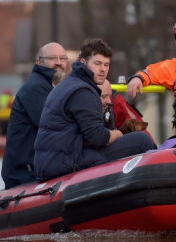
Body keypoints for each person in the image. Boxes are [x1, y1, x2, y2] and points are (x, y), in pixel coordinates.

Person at [34, 38, 156, 181]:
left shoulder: (70, 83)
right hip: (66, 162)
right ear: (84, 63)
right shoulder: (83, 91)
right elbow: (98, 138)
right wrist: (118, 133)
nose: (103, 69)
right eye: (97, 63)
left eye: (106, 64)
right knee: (141, 140)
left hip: (54, 160)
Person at [1, 42, 69, 189]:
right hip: (25, 174)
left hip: (38, 168)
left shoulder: (49, 87)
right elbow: (56, 127)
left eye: (63, 58)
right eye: (52, 58)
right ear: (39, 62)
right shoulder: (36, 88)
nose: (59, 63)